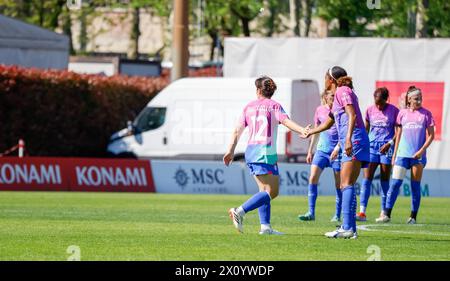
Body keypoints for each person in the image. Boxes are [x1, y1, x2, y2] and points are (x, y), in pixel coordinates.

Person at [223, 76, 310, 235]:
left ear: (258, 90)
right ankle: (239, 211)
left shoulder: (249, 107)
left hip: (254, 152)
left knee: (264, 191)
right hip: (265, 153)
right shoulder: (274, 106)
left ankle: (265, 227)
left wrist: (230, 150)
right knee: (271, 192)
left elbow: (237, 130)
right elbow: (286, 122)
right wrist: (302, 130)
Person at [302, 66, 370, 239]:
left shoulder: (342, 91)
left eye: (325, 76)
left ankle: (347, 227)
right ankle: (351, 229)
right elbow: (329, 122)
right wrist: (311, 131)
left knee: (345, 184)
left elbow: (352, 115)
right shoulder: (341, 93)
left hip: (354, 139)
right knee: (347, 184)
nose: (324, 80)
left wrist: (347, 139)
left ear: (330, 79)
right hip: (356, 139)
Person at [376, 86, 435, 224]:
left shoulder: (426, 114)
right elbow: (399, 134)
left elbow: (431, 136)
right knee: (395, 184)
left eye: (420, 98)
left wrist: (421, 151)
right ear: (409, 99)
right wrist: (394, 154)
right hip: (402, 155)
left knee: (415, 186)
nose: (419, 100)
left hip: (418, 157)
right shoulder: (402, 113)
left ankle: (413, 217)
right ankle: (386, 215)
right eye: (416, 98)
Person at [298, 90, 342, 222]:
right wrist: (310, 150)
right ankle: (311, 212)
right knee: (312, 178)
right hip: (322, 151)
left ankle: (337, 214)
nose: (334, 99)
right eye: (332, 97)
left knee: (339, 185)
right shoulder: (319, 110)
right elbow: (316, 131)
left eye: (335, 96)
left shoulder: (340, 111)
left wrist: (338, 147)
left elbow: (344, 132)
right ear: (325, 98)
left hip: (336, 151)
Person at [356, 87, 399, 222]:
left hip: (387, 148)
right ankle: (362, 212)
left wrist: (390, 144)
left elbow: (399, 132)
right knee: (367, 178)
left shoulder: (394, 111)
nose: (378, 106)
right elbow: (366, 129)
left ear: (386, 99)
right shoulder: (369, 110)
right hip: (372, 148)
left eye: (381, 103)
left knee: (384, 180)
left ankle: (384, 213)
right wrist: (363, 144)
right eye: (376, 102)